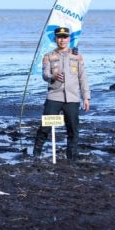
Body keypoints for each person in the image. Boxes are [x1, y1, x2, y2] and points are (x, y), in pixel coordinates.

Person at [33, 27, 90, 160]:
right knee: (45, 127)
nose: (62, 40)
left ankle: (71, 156)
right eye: (59, 37)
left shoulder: (77, 56)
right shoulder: (48, 56)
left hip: (73, 98)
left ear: (69, 39)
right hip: (54, 96)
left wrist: (86, 97)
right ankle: (36, 153)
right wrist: (53, 75)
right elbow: (45, 75)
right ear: (55, 39)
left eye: (65, 37)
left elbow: (83, 78)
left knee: (73, 130)